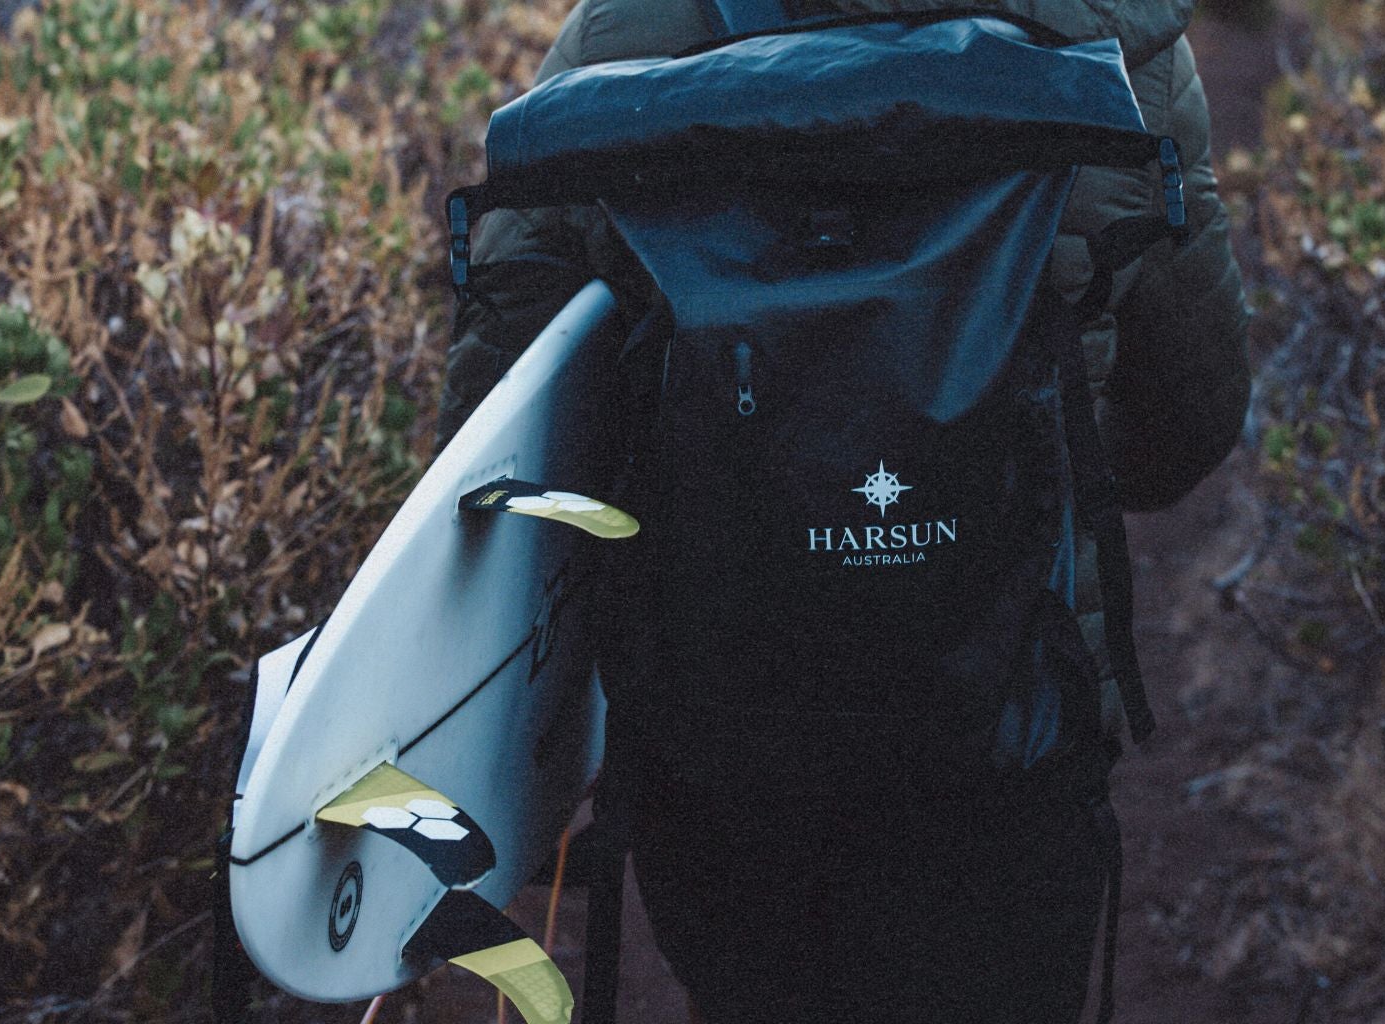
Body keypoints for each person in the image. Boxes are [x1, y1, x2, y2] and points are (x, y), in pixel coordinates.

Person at [436, 1, 1250, 1020]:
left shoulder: (619, 38)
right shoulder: (1117, 43)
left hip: (722, 759)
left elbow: (498, 446)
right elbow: (1183, 433)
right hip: (1013, 741)